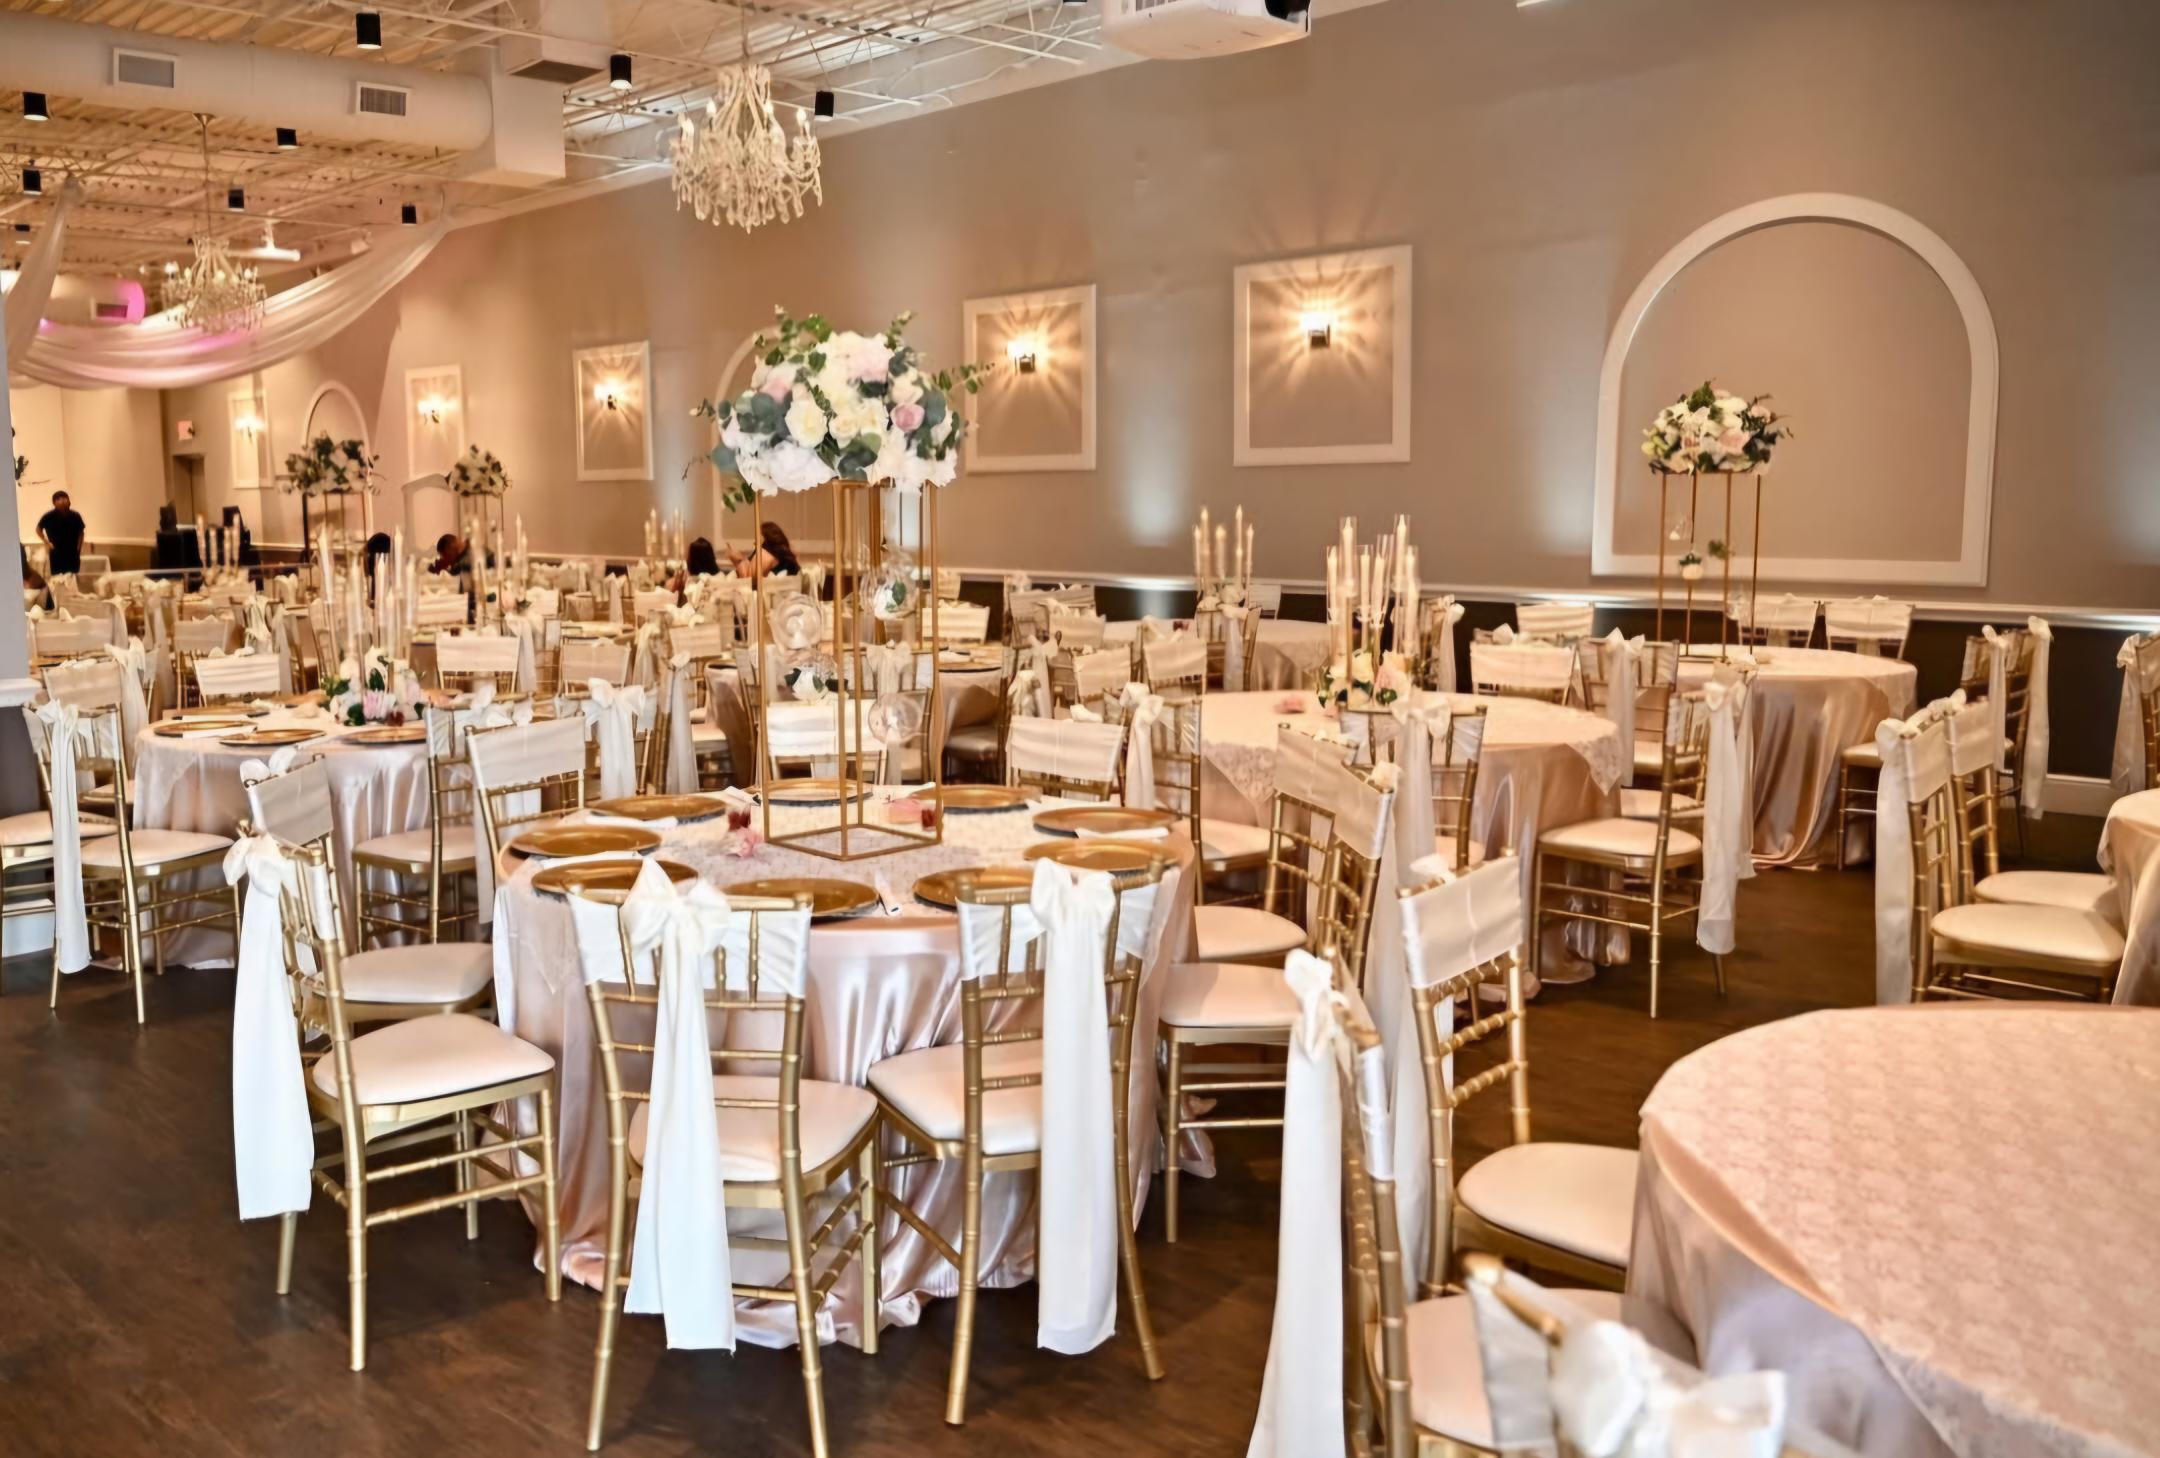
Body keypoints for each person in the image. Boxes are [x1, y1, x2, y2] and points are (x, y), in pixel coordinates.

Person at [37, 490, 86, 578]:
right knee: (58, 578)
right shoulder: (49, 516)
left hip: (73, 552)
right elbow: (38, 529)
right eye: (59, 499)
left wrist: (79, 547)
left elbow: (81, 532)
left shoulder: (75, 515)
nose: (63, 501)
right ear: (54, 502)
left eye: (65, 498)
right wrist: (47, 542)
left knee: (72, 577)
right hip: (56, 552)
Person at [728, 521, 799, 580]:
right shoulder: (782, 554)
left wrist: (739, 561)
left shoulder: (765, 556)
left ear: (766, 539)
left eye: (758, 537)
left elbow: (749, 581)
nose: (755, 542)